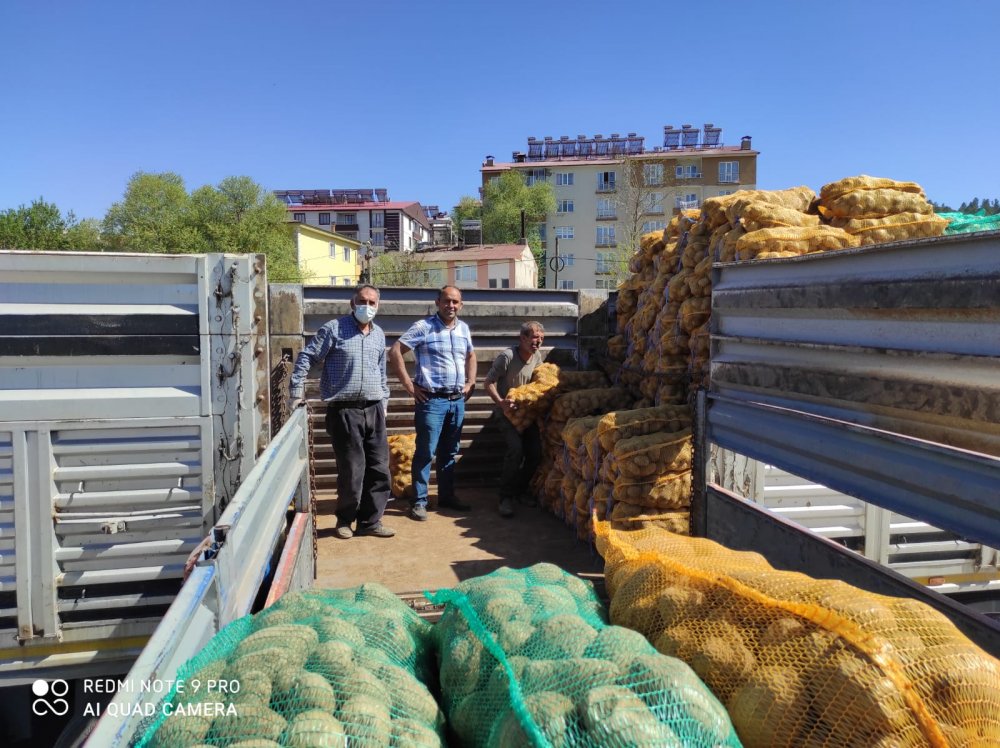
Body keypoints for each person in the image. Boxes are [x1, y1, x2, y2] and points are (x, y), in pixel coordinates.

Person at [289, 284, 394, 539]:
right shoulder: (334, 329)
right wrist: (296, 390)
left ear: (378, 306)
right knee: (352, 470)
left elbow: (381, 371)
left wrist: (385, 402)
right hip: (344, 411)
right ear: (352, 302)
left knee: (380, 469)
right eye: (362, 301)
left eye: (372, 302)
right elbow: (308, 357)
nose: (367, 307)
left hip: (374, 408)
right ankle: (345, 520)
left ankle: (370, 522)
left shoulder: (379, 334)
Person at [389, 285, 476, 521]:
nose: (451, 306)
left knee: (449, 453)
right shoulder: (423, 327)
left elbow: (470, 355)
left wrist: (471, 381)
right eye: (447, 301)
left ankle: (447, 497)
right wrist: (409, 386)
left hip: (457, 400)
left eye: (455, 302)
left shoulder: (464, 329)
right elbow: (396, 351)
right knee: (426, 452)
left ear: (461, 305)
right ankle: (419, 502)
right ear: (437, 302)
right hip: (432, 401)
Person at [484, 321, 545, 518]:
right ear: (523, 338)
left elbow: (539, 382)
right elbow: (488, 383)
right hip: (506, 414)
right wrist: (501, 403)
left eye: (541, 338)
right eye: (534, 338)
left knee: (535, 453)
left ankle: (519, 491)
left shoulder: (537, 357)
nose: (538, 342)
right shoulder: (507, 357)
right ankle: (505, 497)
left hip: (526, 415)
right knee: (515, 450)